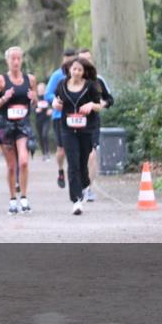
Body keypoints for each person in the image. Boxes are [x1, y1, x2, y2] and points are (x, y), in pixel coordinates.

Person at [52, 56, 107, 215]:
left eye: (79, 70)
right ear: (69, 70)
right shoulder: (62, 85)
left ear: (84, 72)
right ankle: (76, 200)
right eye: (74, 69)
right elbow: (56, 100)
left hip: (86, 130)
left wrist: (91, 105)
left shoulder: (90, 86)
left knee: (83, 163)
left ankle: (84, 184)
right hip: (67, 129)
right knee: (73, 164)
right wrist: (55, 104)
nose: (76, 72)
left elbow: (98, 106)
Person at [0, 46, 37, 214]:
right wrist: (5, 97)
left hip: (23, 126)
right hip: (5, 127)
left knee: (23, 161)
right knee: (11, 166)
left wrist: (33, 100)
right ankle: (12, 200)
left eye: (19, 58)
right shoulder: (0, 80)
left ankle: (24, 197)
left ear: (22, 60)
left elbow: (36, 104)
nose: (16, 61)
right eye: (13, 59)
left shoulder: (30, 79)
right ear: (7, 61)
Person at [77, 48, 114, 202]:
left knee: (91, 155)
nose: (86, 62)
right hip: (75, 123)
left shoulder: (98, 80)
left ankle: (89, 188)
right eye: (82, 60)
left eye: (88, 59)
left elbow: (110, 99)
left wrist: (99, 104)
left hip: (92, 123)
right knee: (79, 157)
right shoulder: (70, 81)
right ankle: (79, 184)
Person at [44, 49, 76, 189]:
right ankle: (61, 170)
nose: (69, 63)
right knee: (62, 149)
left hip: (75, 116)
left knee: (75, 147)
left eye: (71, 60)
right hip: (60, 117)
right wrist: (57, 100)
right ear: (63, 60)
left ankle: (74, 173)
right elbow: (47, 94)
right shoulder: (57, 75)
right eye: (66, 60)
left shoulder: (79, 74)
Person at [34, 81, 52, 161]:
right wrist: (35, 110)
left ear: (45, 89)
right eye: (39, 89)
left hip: (46, 119)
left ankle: (48, 152)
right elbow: (31, 107)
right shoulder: (36, 98)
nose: (41, 90)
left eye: (42, 89)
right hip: (38, 120)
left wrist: (51, 110)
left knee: (45, 135)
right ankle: (44, 153)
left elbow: (54, 105)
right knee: (40, 136)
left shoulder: (47, 97)